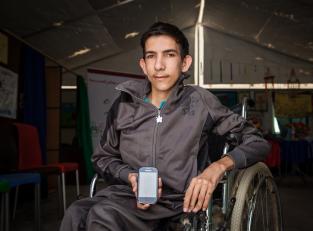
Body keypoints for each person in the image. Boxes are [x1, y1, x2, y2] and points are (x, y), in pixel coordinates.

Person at [60, 22, 270, 231]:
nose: (159, 65)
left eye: (169, 55)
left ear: (184, 63)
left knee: (102, 216)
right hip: (128, 197)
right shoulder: (124, 103)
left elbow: (257, 141)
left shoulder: (200, 102)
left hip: (179, 201)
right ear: (143, 64)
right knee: (75, 214)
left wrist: (217, 167)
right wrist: (130, 176)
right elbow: (103, 157)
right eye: (151, 56)